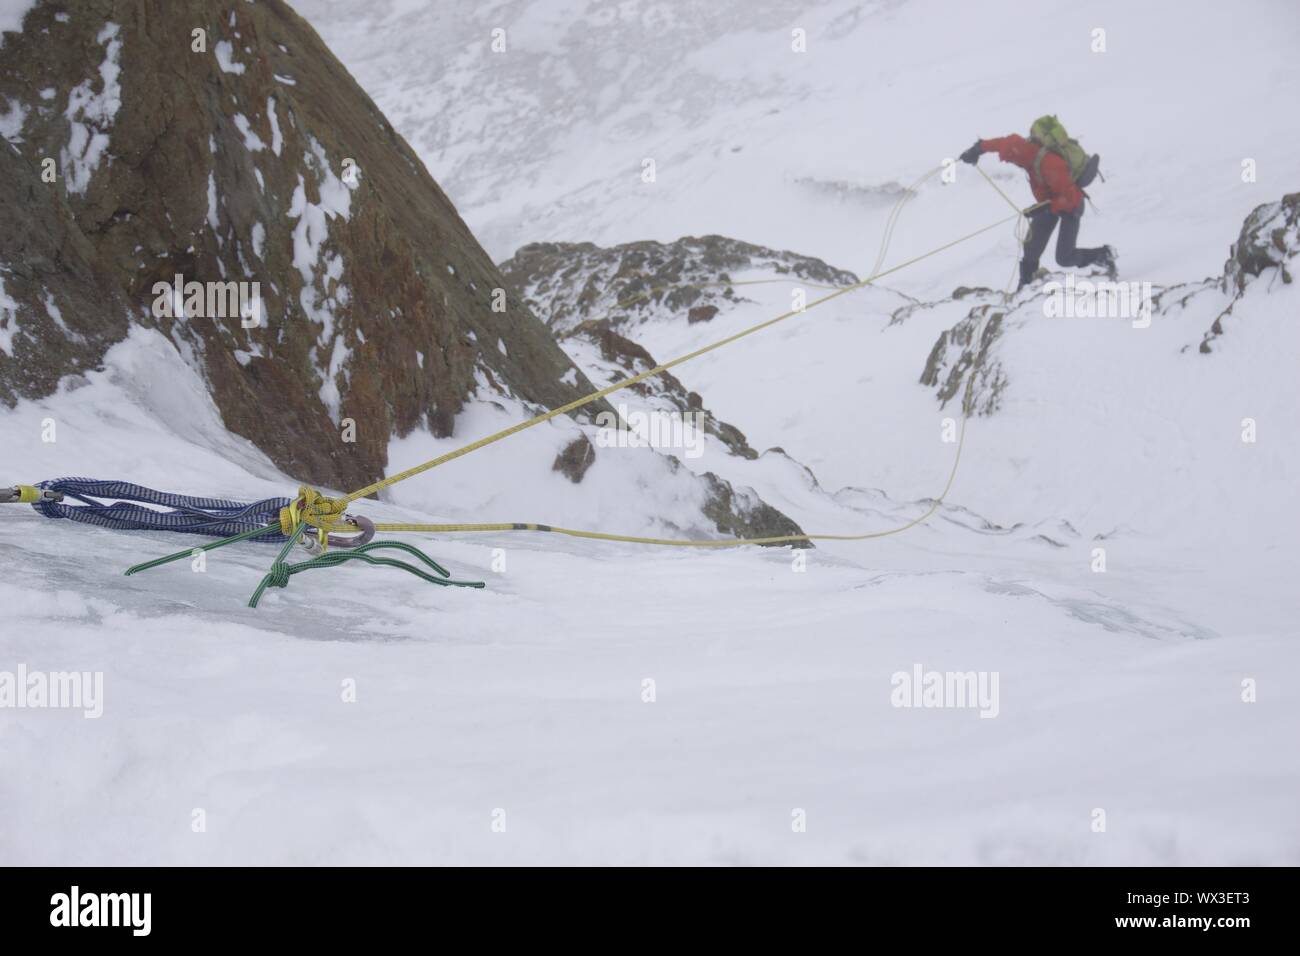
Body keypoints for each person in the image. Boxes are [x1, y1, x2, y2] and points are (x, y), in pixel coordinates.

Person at [960, 129, 1115, 289]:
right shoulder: (1022, 150)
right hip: (1048, 204)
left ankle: (1104, 255)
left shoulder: (1050, 164)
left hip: (1071, 206)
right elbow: (999, 144)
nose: (1012, 163)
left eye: (1013, 160)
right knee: (1031, 247)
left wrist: (1043, 208)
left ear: (1019, 156)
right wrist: (977, 149)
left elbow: (1069, 198)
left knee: (1064, 257)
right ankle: (1026, 285)